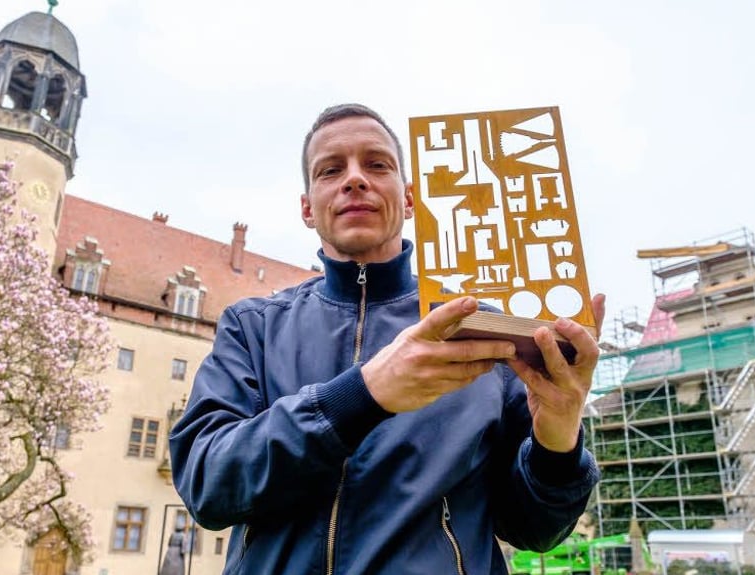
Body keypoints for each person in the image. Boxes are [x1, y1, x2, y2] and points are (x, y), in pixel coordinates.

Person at [169, 103, 605, 575]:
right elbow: (207, 483)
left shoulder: (489, 333)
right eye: (331, 169)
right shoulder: (252, 327)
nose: (355, 179)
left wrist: (558, 443)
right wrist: (362, 394)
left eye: (377, 164)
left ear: (412, 198)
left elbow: (534, 530)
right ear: (307, 208)